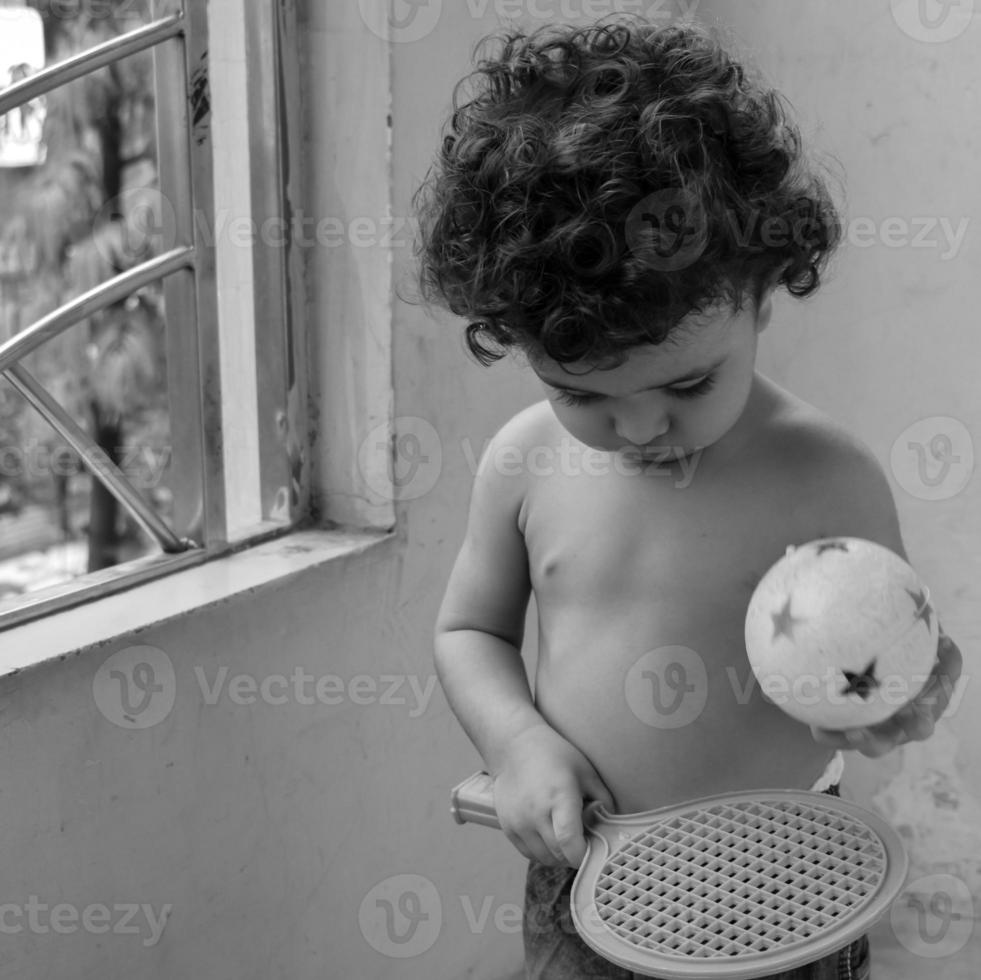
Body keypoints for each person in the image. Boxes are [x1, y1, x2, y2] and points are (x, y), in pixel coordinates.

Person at [413, 16, 963, 980]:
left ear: (759, 297)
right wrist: (517, 744)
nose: (635, 432)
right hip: (590, 877)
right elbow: (472, 633)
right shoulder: (521, 464)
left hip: (789, 883)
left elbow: (879, 663)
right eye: (580, 393)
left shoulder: (826, 475)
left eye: (684, 386)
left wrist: (892, 705)